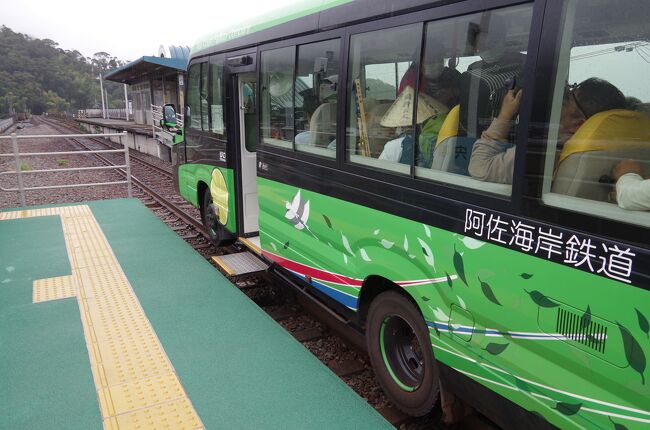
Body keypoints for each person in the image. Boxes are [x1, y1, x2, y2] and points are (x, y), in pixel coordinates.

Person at [468, 77, 627, 184]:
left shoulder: (548, 152)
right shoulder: (608, 150)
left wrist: (505, 114)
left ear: (578, 124)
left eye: (565, 100)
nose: (557, 102)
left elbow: (480, 168)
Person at [458, 13, 527, 139]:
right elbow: (468, 125)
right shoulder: (473, 71)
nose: (486, 48)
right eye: (480, 46)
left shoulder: (526, 64)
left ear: (502, 38)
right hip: (487, 138)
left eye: (491, 43)